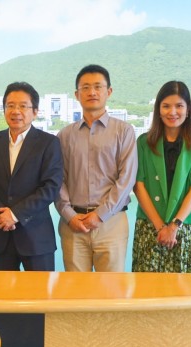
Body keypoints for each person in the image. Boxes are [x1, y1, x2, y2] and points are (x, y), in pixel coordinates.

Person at [55, 64, 137, 272]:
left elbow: (127, 179)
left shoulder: (124, 131)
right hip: (73, 225)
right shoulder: (64, 135)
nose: (92, 92)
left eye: (98, 87)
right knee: (75, 287)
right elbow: (57, 180)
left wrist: (100, 214)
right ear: (77, 94)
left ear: (109, 91)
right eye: (85, 87)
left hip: (111, 223)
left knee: (110, 287)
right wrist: (69, 215)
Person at [0, 82, 63, 271]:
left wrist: (14, 215)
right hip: (0, 236)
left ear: (35, 111)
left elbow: (51, 187)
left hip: (36, 238)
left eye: (23, 106)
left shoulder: (49, 143)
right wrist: (1, 216)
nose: (16, 111)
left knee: (39, 290)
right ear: (4, 109)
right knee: (1, 289)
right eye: (10, 105)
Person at [132, 81, 191, 273]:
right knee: (148, 286)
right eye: (166, 106)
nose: (172, 112)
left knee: (185, 286)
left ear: (188, 109)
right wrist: (160, 227)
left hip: (184, 226)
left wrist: (174, 226)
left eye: (179, 106)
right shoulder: (144, 142)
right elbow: (138, 185)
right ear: (158, 110)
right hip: (150, 225)